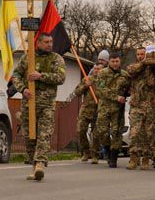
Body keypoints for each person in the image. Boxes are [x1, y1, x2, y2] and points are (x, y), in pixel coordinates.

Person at [12, 33, 66, 181]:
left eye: (51, 41)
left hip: (47, 105)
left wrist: (40, 76)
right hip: (29, 104)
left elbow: (61, 78)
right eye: (46, 42)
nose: (49, 44)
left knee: (44, 134)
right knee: (30, 137)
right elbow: (15, 75)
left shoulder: (56, 59)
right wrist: (23, 89)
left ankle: (40, 164)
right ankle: (34, 167)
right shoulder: (28, 58)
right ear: (39, 43)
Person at [92, 52, 131, 168]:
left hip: (118, 109)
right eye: (113, 61)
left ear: (120, 62)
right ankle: (107, 151)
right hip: (105, 107)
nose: (115, 64)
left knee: (116, 133)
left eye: (117, 61)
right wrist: (116, 97)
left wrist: (128, 94)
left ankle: (113, 157)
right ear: (109, 61)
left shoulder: (125, 75)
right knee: (102, 131)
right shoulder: (102, 73)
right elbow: (100, 90)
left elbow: (129, 88)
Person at [126, 48, 155, 170]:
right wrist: (143, 63)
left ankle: (146, 158)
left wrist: (150, 67)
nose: (140, 56)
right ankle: (133, 157)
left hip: (150, 107)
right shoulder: (134, 66)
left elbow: (153, 83)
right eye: (139, 54)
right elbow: (131, 71)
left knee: (149, 134)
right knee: (134, 133)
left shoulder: (153, 69)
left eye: (143, 54)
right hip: (136, 105)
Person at [74, 50, 108, 163]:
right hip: (86, 110)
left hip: (99, 109)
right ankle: (86, 151)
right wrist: (85, 86)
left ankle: (95, 154)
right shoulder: (86, 79)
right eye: (95, 69)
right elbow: (77, 92)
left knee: (96, 133)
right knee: (80, 130)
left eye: (99, 69)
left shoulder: (104, 81)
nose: (96, 71)